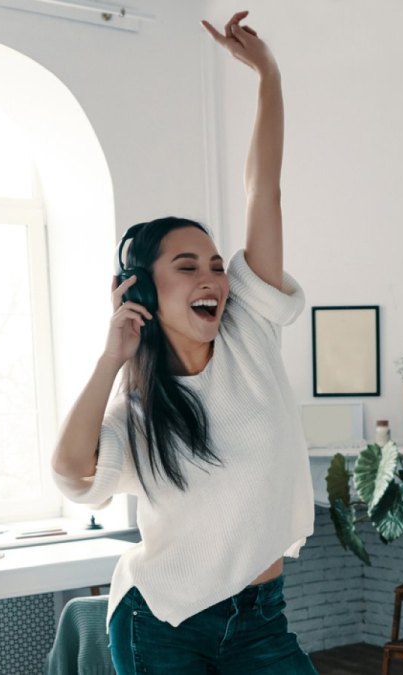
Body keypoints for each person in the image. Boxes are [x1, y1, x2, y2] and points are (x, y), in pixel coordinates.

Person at [50, 11, 319, 675]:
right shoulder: (140, 411)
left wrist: (268, 75)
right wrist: (110, 357)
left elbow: (265, 191)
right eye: (187, 265)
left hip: (261, 617)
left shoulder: (250, 330)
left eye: (216, 262)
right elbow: (70, 473)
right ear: (144, 290)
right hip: (162, 620)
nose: (213, 277)